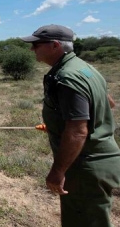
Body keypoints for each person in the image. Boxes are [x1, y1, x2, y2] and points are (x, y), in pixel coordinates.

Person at [21, 24, 120, 227]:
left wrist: (57, 171)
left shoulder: (66, 77)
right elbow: (109, 103)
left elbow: (77, 132)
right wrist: (60, 122)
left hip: (84, 166)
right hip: (101, 159)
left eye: (36, 45)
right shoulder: (85, 68)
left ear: (55, 45)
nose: (32, 49)